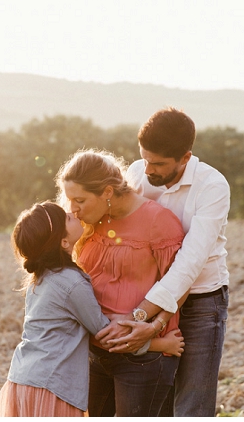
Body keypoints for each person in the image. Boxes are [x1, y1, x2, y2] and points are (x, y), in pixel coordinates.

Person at [96, 107, 230, 417]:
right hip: (145, 297)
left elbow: (189, 262)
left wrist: (143, 315)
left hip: (201, 301)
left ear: (185, 157)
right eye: (145, 159)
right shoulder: (138, 173)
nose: (148, 170)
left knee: (192, 403)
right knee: (159, 402)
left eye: (158, 164)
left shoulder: (212, 186)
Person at [0, 202, 183, 417]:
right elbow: (108, 337)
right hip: (51, 386)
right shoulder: (71, 282)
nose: (73, 212)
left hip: (23, 378)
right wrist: (161, 344)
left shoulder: (40, 279)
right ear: (63, 241)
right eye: (67, 218)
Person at [58, 149, 186, 417]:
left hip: (143, 357)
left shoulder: (158, 222)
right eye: (70, 200)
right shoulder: (87, 224)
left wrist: (154, 328)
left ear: (106, 191)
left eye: (80, 199)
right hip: (94, 353)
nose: (73, 209)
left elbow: (179, 285)